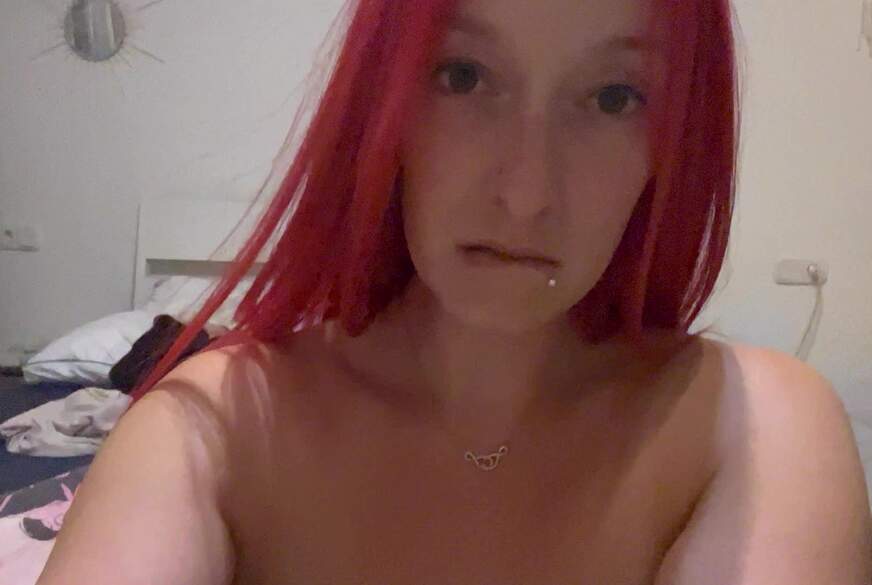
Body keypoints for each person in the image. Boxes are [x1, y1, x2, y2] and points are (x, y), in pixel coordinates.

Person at [37, 0, 872, 583]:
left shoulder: (753, 427)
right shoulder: (210, 428)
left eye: (614, 97)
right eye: (463, 76)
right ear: (382, 104)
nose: (526, 193)